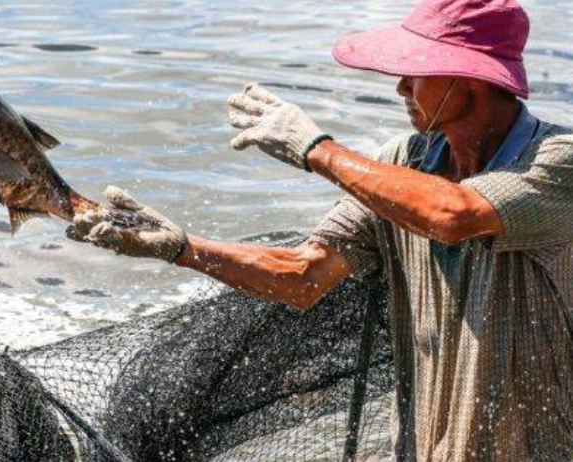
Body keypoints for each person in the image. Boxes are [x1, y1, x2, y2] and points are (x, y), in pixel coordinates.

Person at [69, 0, 573, 460]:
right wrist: (180, 247)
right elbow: (302, 276)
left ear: (470, 82)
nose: (400, 87)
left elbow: (453, 216)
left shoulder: (557, 161)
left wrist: (315, 148)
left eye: (414, 74)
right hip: (429, 446)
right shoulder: (405, 162)